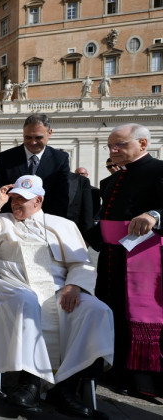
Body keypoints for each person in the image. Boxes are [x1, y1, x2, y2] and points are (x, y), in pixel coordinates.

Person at [0, 175, 114, 417]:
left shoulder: (63, 225)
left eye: (22, 200)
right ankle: (30, 382)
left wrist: (75, 286)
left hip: (58, 288)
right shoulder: (1, 220)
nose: (15, 204)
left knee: (98, 311)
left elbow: (82, 263)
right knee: (27, 302)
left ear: (38, 201)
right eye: (14, 199)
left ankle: (67, 387)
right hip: (14, 285)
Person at [85, 124, 163, 397]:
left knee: (139, 317)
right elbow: (104, 219)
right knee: (111, 309)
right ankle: (115, 369)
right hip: (110, 257)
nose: (113, 150)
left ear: (143, 143)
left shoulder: (159, 170)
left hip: (145, 259)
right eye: (109, 146)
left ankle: (145, 379)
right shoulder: (112, 181)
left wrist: (154, 214)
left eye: (119, 145)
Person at [0, 113, 70, 218]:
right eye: (28, 137)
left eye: (38, 137)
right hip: (10, 220)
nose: (33, 142)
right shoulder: (5, 158)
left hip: (44, 221)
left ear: (49, 133)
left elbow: (62, 197)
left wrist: (55, 224)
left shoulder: (60, 159)